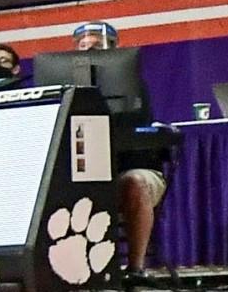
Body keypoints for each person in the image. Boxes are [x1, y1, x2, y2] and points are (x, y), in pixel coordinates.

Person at [66, 22, 168, 280]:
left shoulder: (134, 87)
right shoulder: (64, 93)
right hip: (82, 175)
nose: (90, 54)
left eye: (98, 48)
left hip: (131, 168)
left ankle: (135, 270)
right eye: (84, 48)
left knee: (134, 182)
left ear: (115, 50)